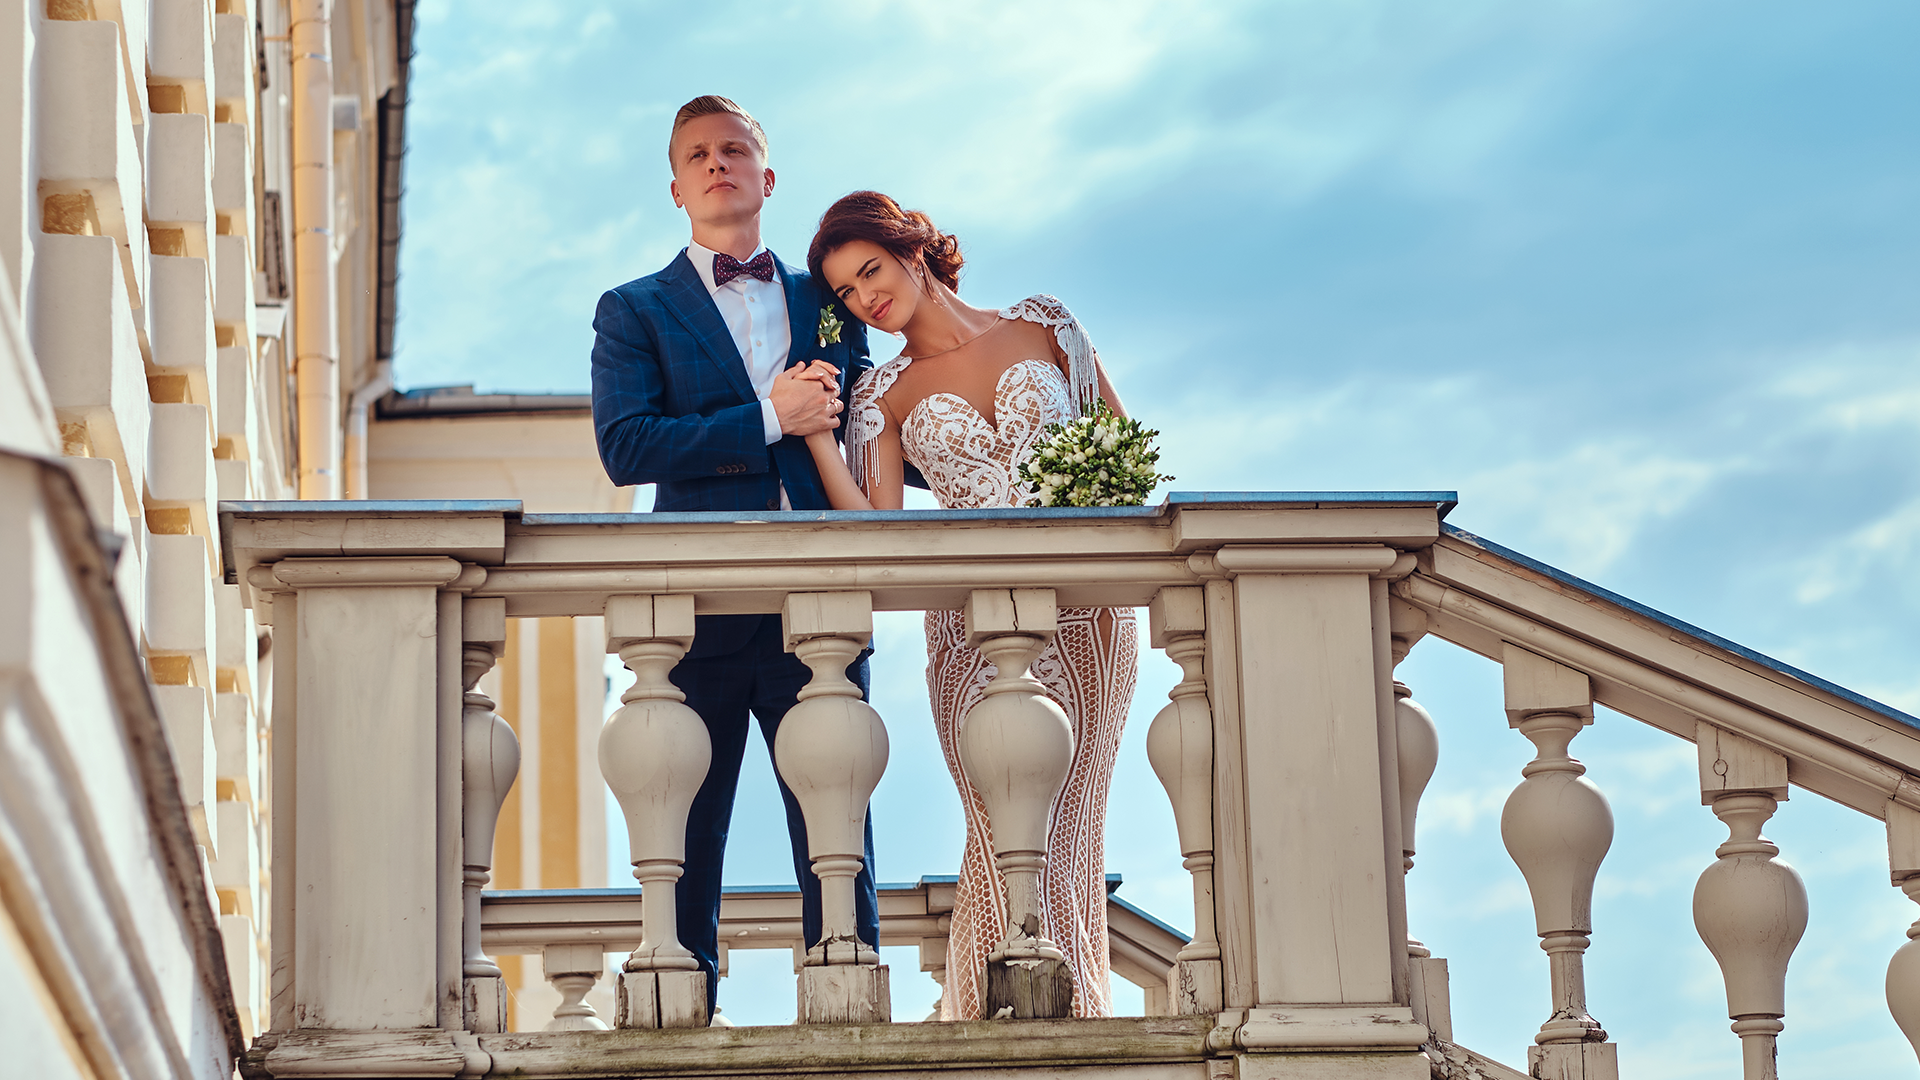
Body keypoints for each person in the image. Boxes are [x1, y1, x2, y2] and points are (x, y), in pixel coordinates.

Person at [794, 190, 1139, 1020]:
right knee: (999, 827)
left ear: (914, 251)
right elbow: (877, 531)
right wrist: (814, 435)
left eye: (870, 270)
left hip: (1088, 620)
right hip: (972, 638)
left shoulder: (1044, 326)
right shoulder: (884, 393)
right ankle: (1022, 1022)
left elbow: (1125, 460)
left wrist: (1079, 500)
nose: (865, 297)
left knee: (1075, 820)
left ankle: (1046, 1015)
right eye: (846, 292)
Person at [588, 97, 879, 1017]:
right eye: (699, 155)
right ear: (676, 187)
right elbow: (627, 446)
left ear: (766, 175)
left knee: (839, 822)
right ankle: (683, 1010)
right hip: (700, 606)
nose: (718, 165)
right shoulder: (634, 309)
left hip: (819, 601)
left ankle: (852, 997)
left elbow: (866, 419)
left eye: (735, 150)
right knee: (686, 828)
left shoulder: (825, 302)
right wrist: (765, 419)